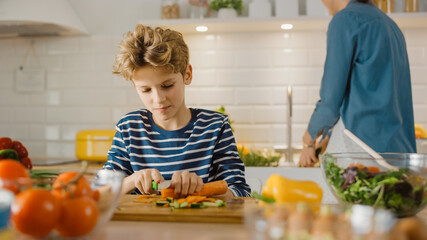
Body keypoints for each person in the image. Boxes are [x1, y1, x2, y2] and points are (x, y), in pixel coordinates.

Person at [103, 24, 251, 197]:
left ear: (187, 74)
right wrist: (132, 180)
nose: (158, 99)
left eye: (167, 85)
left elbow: (240, 192)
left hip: (200, 223)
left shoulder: (215, 127)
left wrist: (201, 189)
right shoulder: (129, 128)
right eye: (146, 90)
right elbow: (100, 192)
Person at [299, 0, 416, 167]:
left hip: (360, 152)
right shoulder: (391, 26)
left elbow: (330, 102)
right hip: (398, 154)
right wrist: (328, 138)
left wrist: (308, 139)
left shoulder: (344, 20)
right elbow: (376, 94)